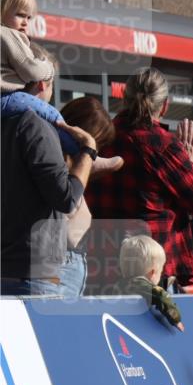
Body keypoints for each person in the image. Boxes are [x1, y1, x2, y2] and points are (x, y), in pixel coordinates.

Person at [87, 67, 193, 293]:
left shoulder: (100, 136)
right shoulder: (161, 145)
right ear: (164, 106)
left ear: (124, 98)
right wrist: (189, 163)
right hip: (151, 268)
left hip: (100, 264)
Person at [1, 0, 120, 168]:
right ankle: (82, 154)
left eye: (29, 18)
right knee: (51, 114)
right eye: (20, 15)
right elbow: (31, 70)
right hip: (7, 98)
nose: (25, 22)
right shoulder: (8, 35)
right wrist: (48, 68)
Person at [1, 64, 95, 295]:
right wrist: (88, 152)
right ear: (43, 84)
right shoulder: (34, 125)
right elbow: (66, 198)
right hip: (33, 273)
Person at [56, 96, 117, 297]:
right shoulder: (57, 163)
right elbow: (68, 205)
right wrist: (88, 151)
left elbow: (117, 162)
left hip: (69, 263)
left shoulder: (72, 163)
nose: (96, 152)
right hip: (60, 264)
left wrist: (88, 157)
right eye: (97, 143)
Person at [115, 235, 184, 331]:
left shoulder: (119, 285)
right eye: (160, 271)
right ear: (152, 272)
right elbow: (161, 296)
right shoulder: (143, 286)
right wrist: (176, 319)